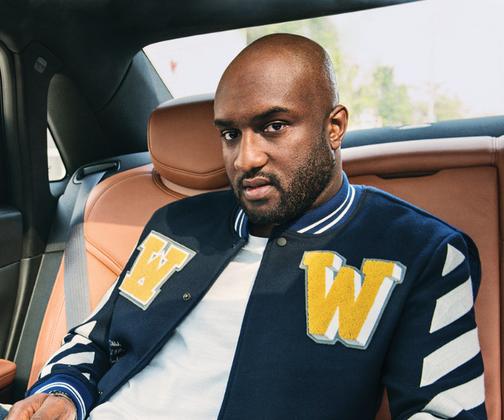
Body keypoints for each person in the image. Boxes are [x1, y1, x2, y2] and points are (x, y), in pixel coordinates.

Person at [5, 34, 486, 419]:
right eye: (230, 134)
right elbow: (93, 338)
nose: (245, 158)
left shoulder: (420, 250)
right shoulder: (177, 225)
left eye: (274, 126)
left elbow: (443, 410)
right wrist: (64, 393)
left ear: (334, 127)